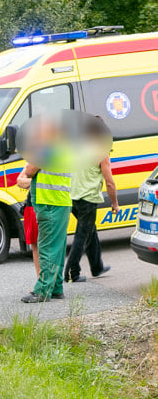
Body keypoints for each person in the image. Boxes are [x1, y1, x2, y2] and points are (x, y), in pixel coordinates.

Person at [17, 112, 75, 303]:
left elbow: (30, 169)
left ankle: (42, 290)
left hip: (49, 202)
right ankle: (56, 287)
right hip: (60, 202)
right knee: (56, 248)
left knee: (47, 248)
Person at [64, 116, 117, 282]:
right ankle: (71, 273)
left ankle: (97, 266)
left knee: (89, 230)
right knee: (82, 235)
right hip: (88, 199)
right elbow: (110, 182)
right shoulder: (101, 152)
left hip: (72, 197)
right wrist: (115, 203)